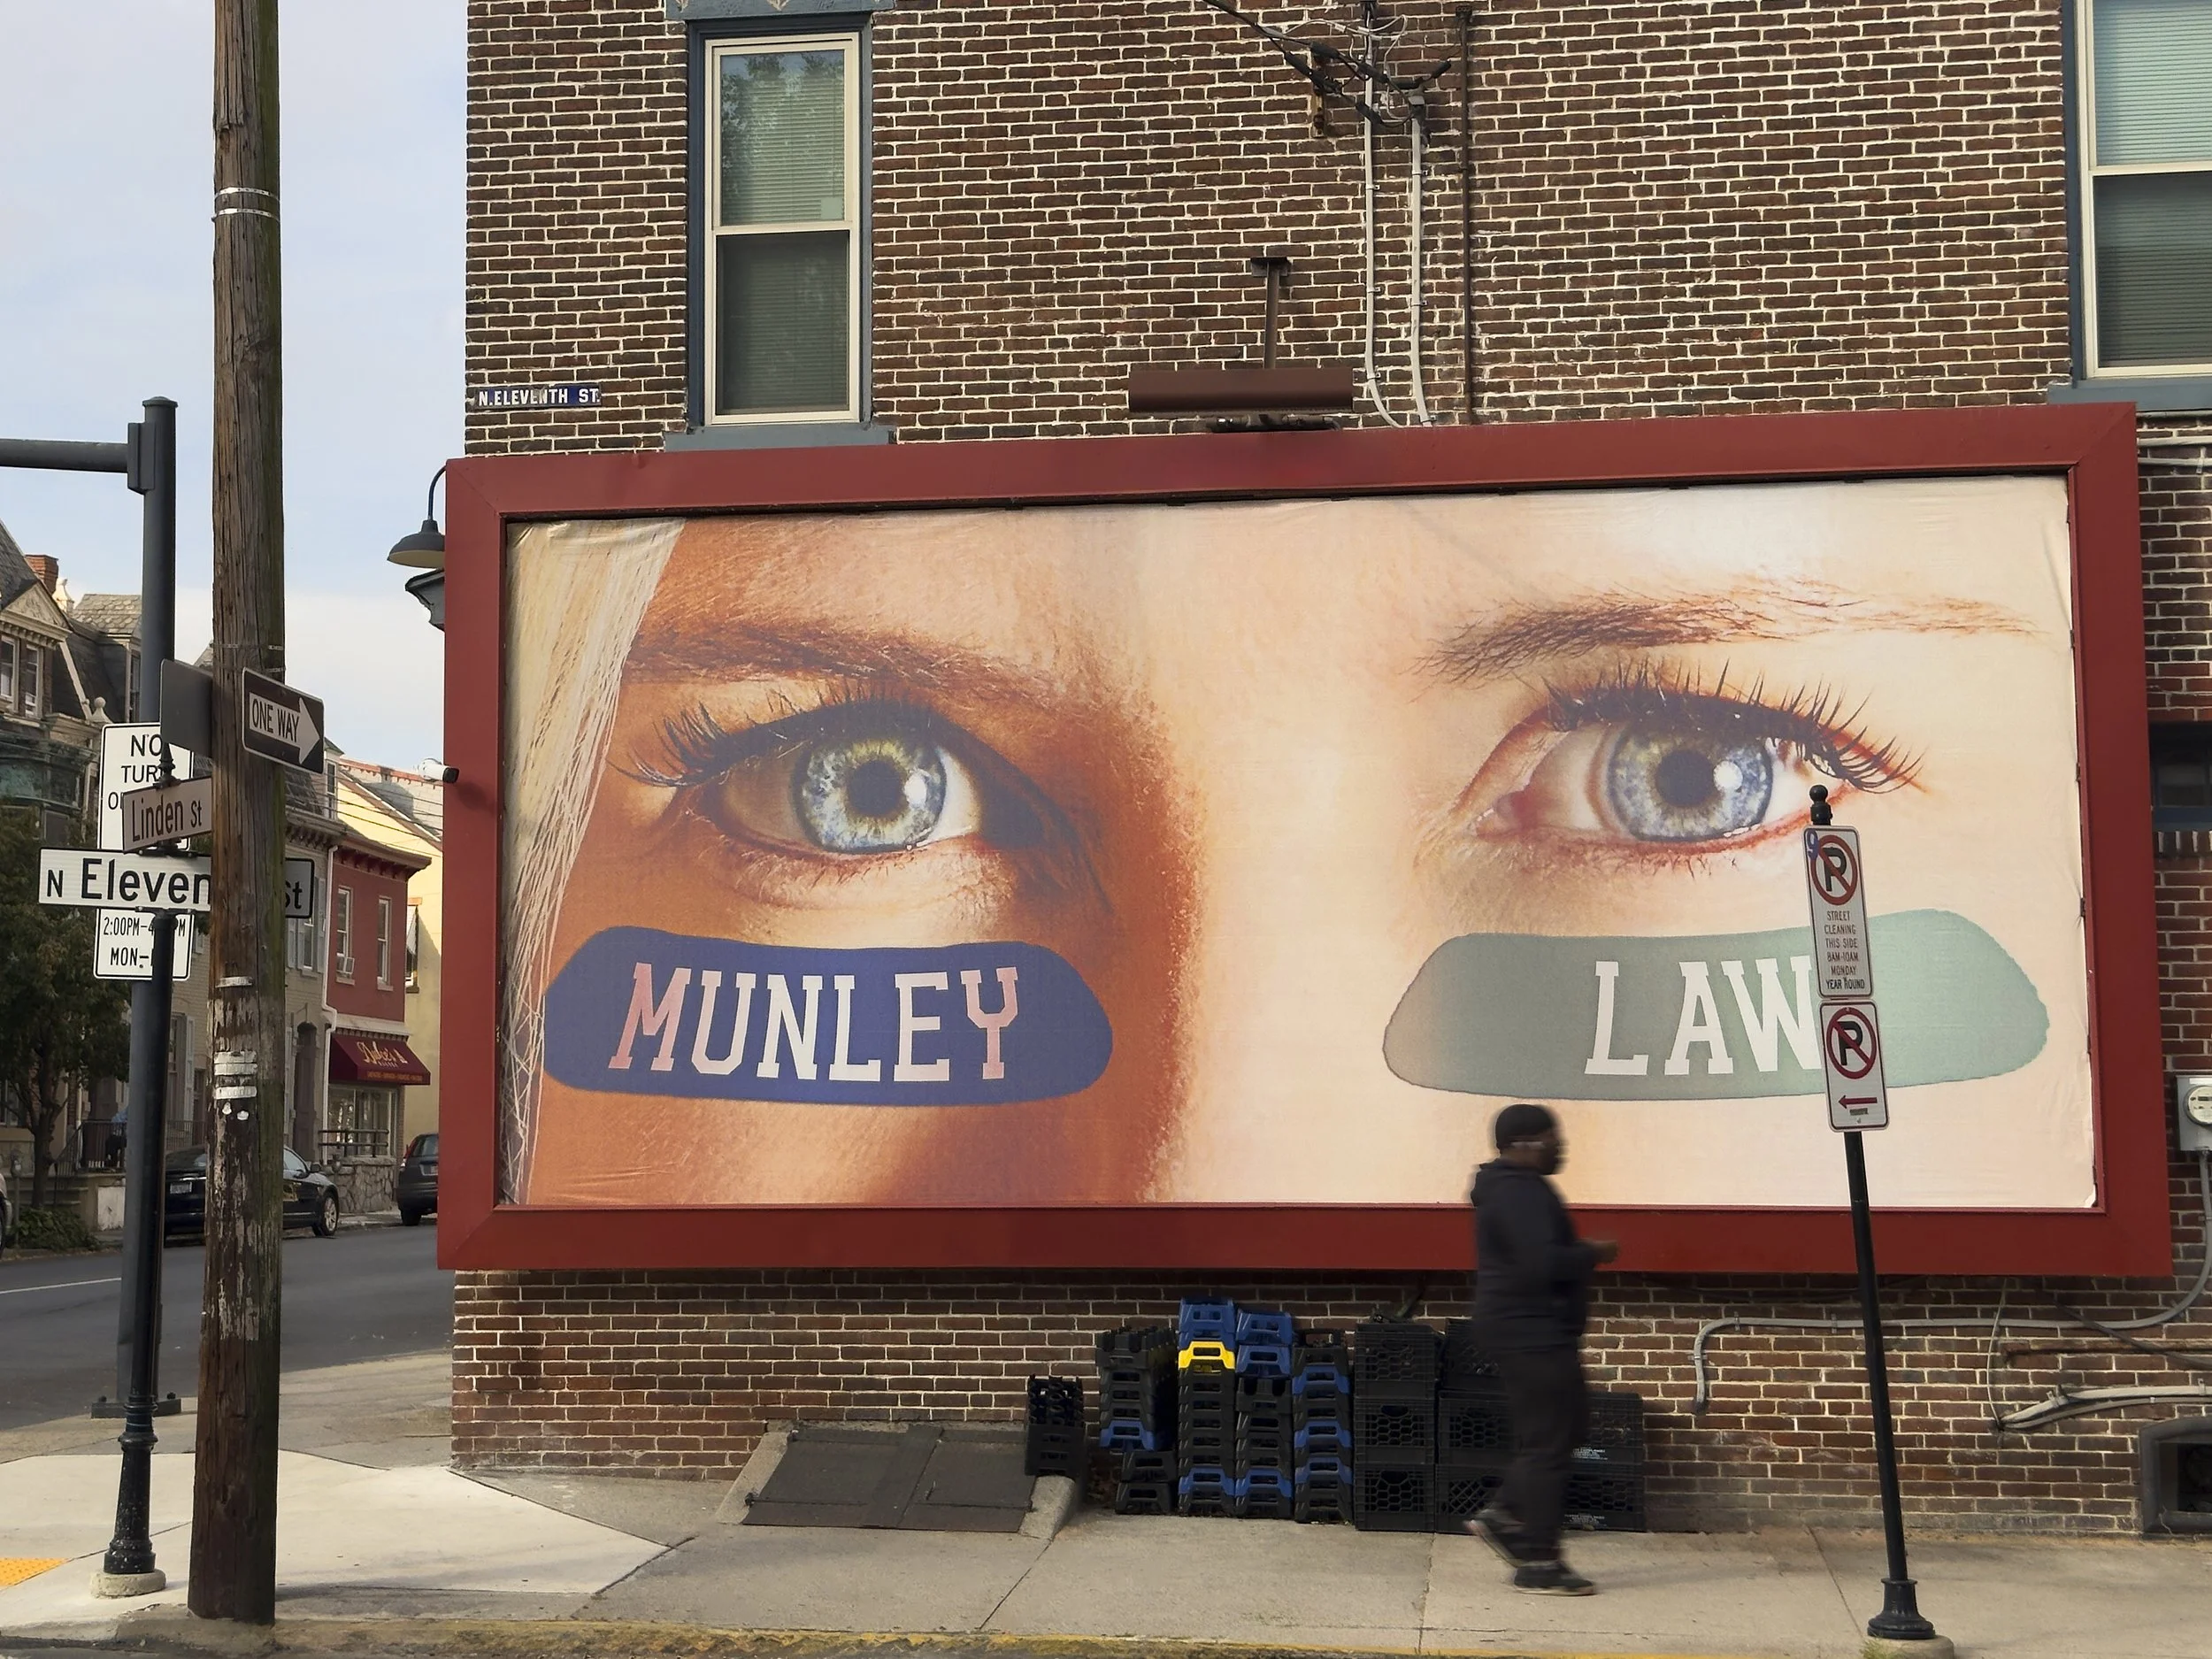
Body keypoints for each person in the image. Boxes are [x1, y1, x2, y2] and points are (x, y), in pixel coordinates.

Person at [1464, 1102, 1618, 1595]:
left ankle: (1507, 1512)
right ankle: (1540, 1560)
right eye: (1554, 1137)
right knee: (1550, 1442)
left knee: (1565, 1428)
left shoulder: (1514, 1190)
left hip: (1530, 1328)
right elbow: (1540, 1264)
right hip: (1530, 1330)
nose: (1561, 1145)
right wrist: (1591, 1254)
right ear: (1527, 1142)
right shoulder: (1518, 1191)